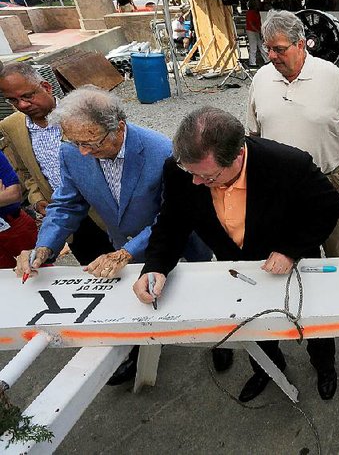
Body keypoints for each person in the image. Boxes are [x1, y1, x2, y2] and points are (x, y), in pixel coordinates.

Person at [133, 106, 339, 402]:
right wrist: (155, 266)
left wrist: (289, 250)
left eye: (207, 177)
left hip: (293, 263)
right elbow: (171, 223)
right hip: (237, 267)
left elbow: (328, 206)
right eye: (191, 173)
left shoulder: (287, 163)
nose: (195, 182)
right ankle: (266, 368)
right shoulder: (181, 170)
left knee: (310, 320)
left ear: (238, 155)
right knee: (252, 322)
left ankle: (324, 365)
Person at [14, 86, 211, 386]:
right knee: (138, 303)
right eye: (75, 141)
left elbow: (171, 215)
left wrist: (128, 250)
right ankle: (139, 352)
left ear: (118, 128)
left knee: (202, 295)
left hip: (181, 242)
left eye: (90, 142)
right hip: (125, 246)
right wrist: (45, 245)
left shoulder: (160, 151)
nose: (82, 151)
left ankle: (218, 343)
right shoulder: (72, 152)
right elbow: (67, 203)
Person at [246, 10, 339, 260]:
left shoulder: (331, 77)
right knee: (294, 254)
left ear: (301, 44)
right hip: (279, 186)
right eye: (268, 48)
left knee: (336, 251)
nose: (272, 56)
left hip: (327, 182)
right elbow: (253, 135)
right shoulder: (261, 78)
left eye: (280, 49)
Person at [0, 62, 113, 264]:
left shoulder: (84, 112)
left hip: (107, 212)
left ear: (46, 87)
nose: (23, 105)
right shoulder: (11, 126)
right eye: (13, 100)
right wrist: (37, 198)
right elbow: (25, 171)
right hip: (68, 219)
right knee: (95, 272)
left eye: (28, 96)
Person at [0, 150, 37, 268]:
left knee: (38, 270)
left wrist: (6, 196)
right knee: (5, 282)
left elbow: (14, 194)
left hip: (14, 223)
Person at [245, 0, 268, 68]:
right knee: (253, 46)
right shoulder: (250, 12)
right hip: (251, 30)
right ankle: (252, 62)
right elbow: (251, 23)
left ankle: (266, 60)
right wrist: (258, 30)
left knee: (260, 45)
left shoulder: (256, 12)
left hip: (256, 30)